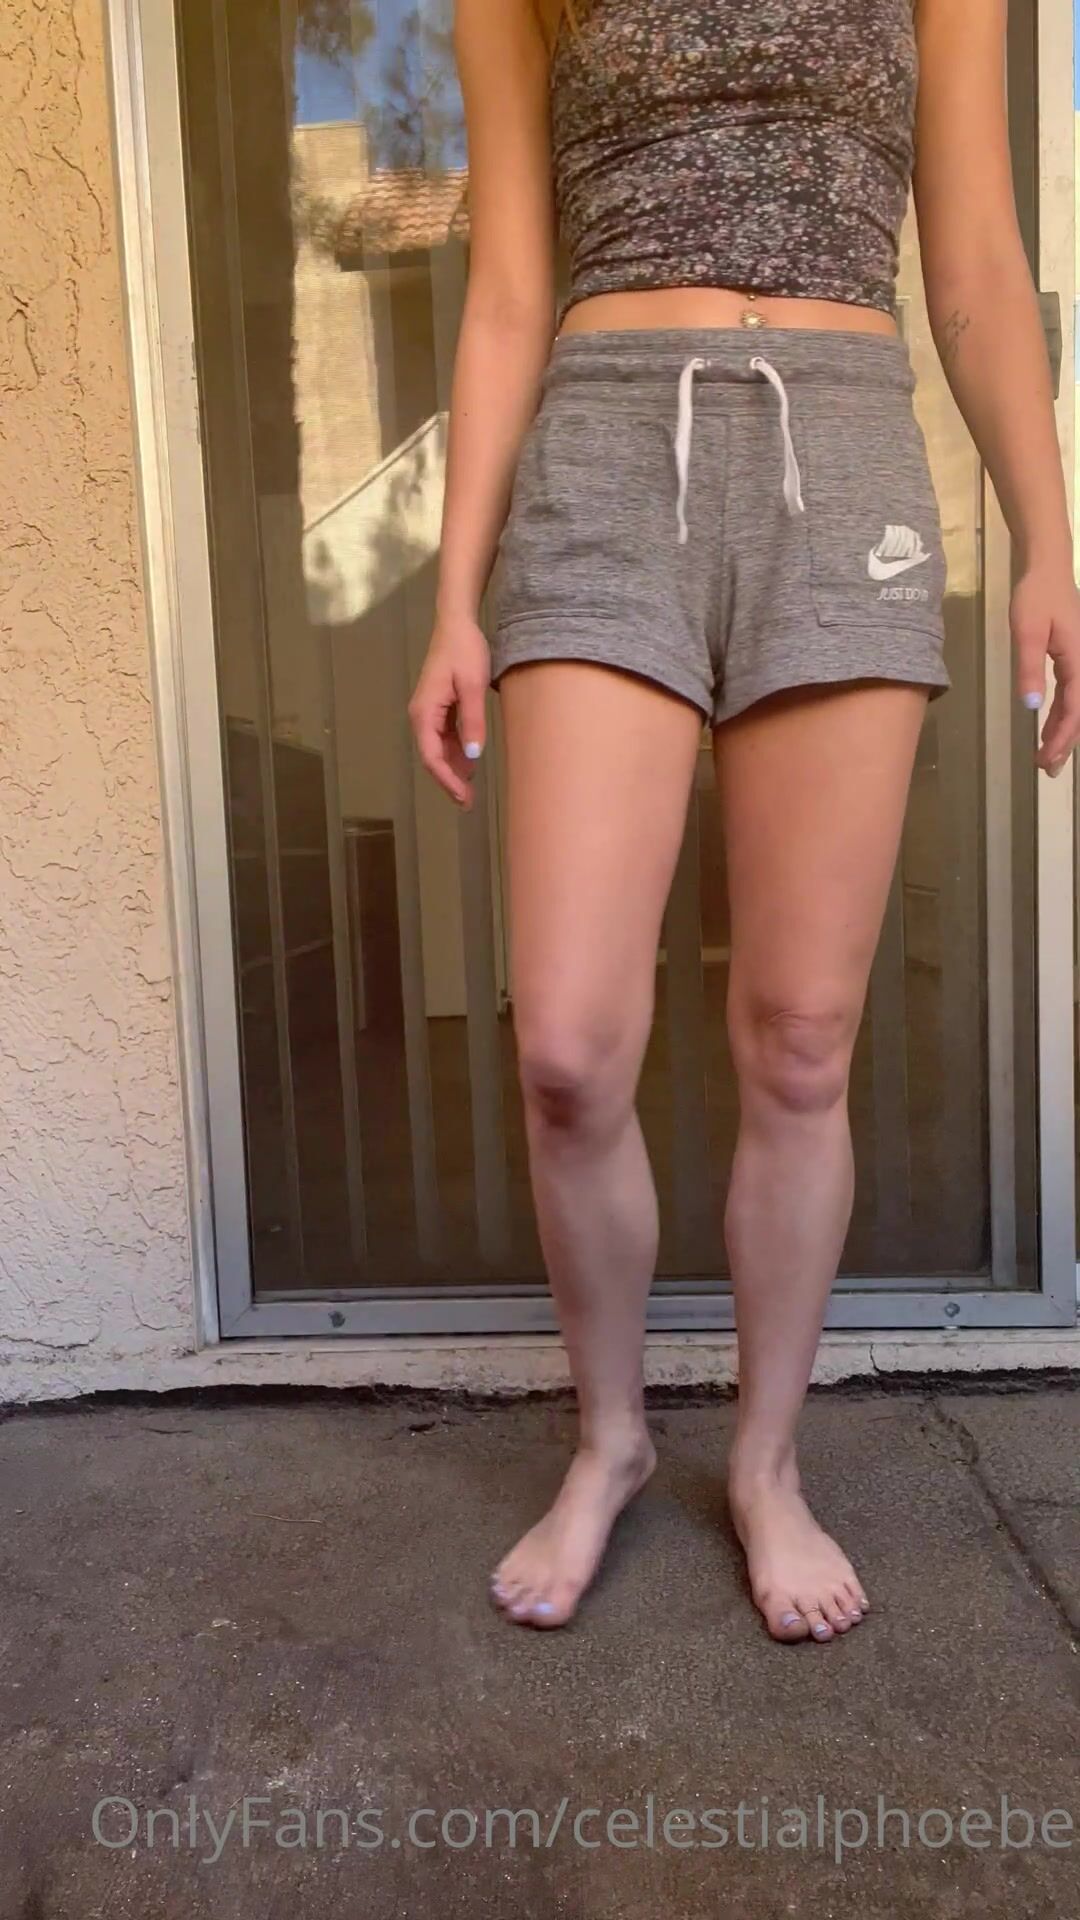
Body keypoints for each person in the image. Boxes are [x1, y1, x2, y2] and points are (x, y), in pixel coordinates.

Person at [409, 0, 1080, 1642]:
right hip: (603, 454)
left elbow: (976, 267)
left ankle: (768, 1462)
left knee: (798, 1039)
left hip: (840, 450)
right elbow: (507, 292)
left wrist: (1049, 543)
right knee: (568, 1046)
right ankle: (613, 1439)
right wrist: (454, 596)